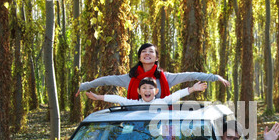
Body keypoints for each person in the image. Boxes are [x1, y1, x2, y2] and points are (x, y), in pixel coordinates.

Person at [76, 43, 229, 99]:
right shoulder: (130, 78)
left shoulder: (165, 77)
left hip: (160, 119)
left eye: (151, 52)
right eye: (144, 51)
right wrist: (84, 86)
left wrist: (215, 77)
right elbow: (105, 80)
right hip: (136, 119)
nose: (147, 54)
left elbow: (190, 75)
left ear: (156, 58)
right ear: (139, 56)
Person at [85, 78, 207, 106]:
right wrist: (98, 97)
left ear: (156, 91)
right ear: (138, 91)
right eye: (144, 88)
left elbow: (176, 95)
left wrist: (192, 89)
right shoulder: (134, 104)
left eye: (150, 88)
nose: (147, 91)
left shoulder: (162, 102)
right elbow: (118, 99)